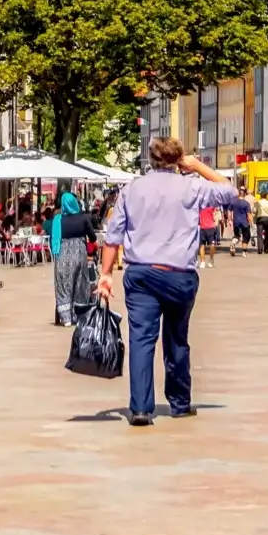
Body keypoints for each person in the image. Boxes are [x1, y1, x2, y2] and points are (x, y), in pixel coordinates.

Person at [95, 137, 249, 427]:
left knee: (141, 340)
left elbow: (113, 236)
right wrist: (197, 165)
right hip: (179, 275)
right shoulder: (192, 186)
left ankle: (140, 408)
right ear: (178, 160)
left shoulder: (132, 189)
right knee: (176, 338)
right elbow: (230, 192)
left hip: (141, 273)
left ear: (150, 159)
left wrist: (105, 275)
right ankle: (179, 403)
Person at [50, 184, 91, 325]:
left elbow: (55, 239)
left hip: (63, 253)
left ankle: (66, 318)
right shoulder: (84, 218)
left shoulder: (58, 219)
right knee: (80, 284)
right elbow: (92, 237)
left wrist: (55, 253)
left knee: (63, 285)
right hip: (80, 253)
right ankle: (79, 315)